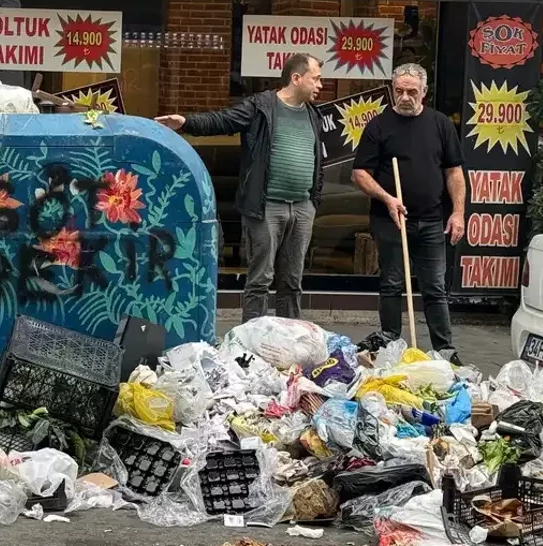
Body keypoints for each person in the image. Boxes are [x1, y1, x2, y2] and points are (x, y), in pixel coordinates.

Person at [155, 53, 325, 321]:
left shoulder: (313, 114)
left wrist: (314, 199)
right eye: (316, 78)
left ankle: (291, 339)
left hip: (302, 207)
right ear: (296, 78)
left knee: (292, 281)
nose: (320, 85)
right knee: (261, 279)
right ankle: (252, 341)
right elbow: (223, 120)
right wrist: (187, 123)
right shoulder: (261, 106)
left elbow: (317, 158)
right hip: (266, 206)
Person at [351, 63, 465, 360]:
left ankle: (444, 349)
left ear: (424, 93)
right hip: (390, 219)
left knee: (435, 287)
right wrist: (387, 198)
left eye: (411, 91)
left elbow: (454, 172)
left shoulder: (440, 124)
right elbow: (360, 173)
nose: (404, 97)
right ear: (392, 90)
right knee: (391, 282)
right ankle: (390, 341)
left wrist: (458, 213)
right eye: (399, 90)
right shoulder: (378, 126)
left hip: (432, 220)